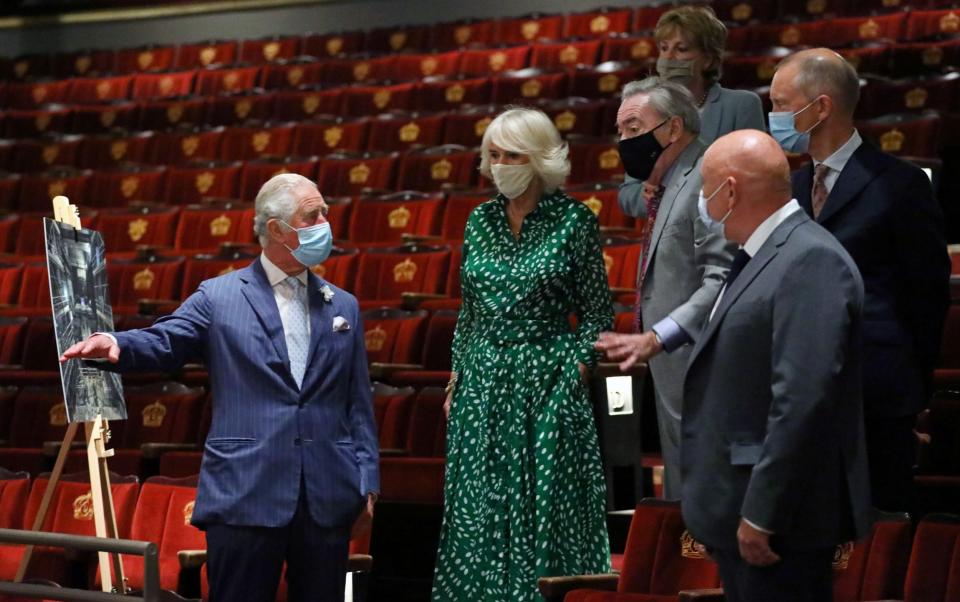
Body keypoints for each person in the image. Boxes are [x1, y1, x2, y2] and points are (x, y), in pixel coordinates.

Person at [60, 173, 379, 602]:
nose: (326, 221)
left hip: (327, 497)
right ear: (276, 229)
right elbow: (166, 339)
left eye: (325, 211)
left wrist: (368, 484)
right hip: (246, 491)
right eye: (313, 214)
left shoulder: (343, 305)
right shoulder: (219, 296)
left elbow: (358, 402)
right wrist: (115, 342)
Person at [682, 130, 872, 602]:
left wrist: (762, 513)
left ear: (729, 190)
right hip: (739, 505)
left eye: (705, 189)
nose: (702, 202)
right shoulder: (761, 254)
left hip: (780, 520)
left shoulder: (809, 258)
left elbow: (803, 397)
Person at [432, 107, 613, 601]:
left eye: (512, 155)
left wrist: (575, 369)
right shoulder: (479, 220)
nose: (500, 164)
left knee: (547, 506)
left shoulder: (574, 221)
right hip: (483, 379)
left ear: (538, 160)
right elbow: (469, 313)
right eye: (493, 155)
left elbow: (598, 314)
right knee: (478, 510)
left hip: (548, 380)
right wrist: (456, 382)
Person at [770, 48, 951, 513]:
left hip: (878, 389)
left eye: (781, 103)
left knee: (876, 529)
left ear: (821, 106)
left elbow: (926, 297)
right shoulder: (790, 189)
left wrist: (913, 393)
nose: (774, 117)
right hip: (807, 387)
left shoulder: (901, 184)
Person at [595, 77, 734, 500]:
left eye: (634, 129)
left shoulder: (706, 175)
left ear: (673, 129)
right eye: (620, 131)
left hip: (704, 361)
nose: (624, 142)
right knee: (683, 483)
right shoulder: (671, 180)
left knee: (705, 487)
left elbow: (723, 278)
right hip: (675, 365)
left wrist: (661, 334)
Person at [619, 5, 765, 213]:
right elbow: (628, 195)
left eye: (681, 49)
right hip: (667, 238)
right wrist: (650, 197)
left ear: (708, 60)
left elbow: (755, 183)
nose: (668, 58)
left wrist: (676, 195)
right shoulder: (648, 111)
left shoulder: (741, 106)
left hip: (720, 237)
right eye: (663, 48)